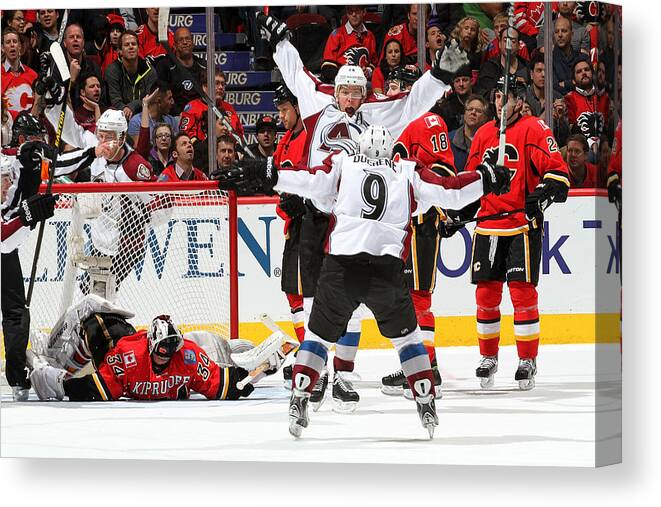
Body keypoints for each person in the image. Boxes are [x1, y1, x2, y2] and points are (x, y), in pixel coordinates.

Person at [218, 124, 511, 438]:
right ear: (391, 151)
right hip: (385, 272)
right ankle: (425, 399)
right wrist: (487, 177)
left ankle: (301, 396)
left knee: (316, 338)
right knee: (409, 340)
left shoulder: (344, 163)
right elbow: (451, 190)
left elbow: (311, 182)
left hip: (341, 268)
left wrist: (271, 174)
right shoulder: (407, 171)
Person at [256, 11, 468, 411]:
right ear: (335, 91)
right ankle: (315, 376)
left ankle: (345, 376)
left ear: (365, 92)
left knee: (346, 299)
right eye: (346, 92)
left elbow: (412, 102)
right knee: (316, 299)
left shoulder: (376, 112)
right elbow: (296, 74)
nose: (352, 100)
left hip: (352, 219)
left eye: (357, 93)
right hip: (318, 213)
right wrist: (280, 42)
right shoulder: (316, 100)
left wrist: (439, 76)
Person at [462, 76, 570, 391]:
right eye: (497, 96)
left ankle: (526, 359)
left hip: (521, 224)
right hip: (487, 225)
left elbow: (558, 172)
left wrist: (543, 192)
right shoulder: (482, 134)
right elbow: (470, 182)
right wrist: (458, 210)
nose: (500, 102)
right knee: (485, 294)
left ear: (520, 101)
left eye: (506, 97)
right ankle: (489, 357)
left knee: (522, 293)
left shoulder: (534, 128)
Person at [28, 305, 283, 402]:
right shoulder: (128, 357)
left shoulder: (187, 356)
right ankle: (47, 360)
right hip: (111, 335)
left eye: (172, 348)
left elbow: (228, 387)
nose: (166, 354)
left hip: (145, 345)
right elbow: (95, 390)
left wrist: (261, 372)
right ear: (151, 345)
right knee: (92, 319)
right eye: (162, 349)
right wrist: (61, 384)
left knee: (211, 343)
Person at [382, 103, 458, 399]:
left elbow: (442, 168)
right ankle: (416, 363)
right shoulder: (394, 121)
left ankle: (427, 368)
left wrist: (436, 203)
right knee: (402, 298)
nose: (389, 93)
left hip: (420, 220)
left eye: (395, 86)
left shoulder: (428, 120)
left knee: (416, 298)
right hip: (399, 222)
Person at [1, 117, 59, 401]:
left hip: (5, 256)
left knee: (16, 314)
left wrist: (30, 212)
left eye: (7, 180)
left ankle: (16, 377)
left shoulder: (12, 166)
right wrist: (27, 214)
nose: (6, 185)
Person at [272, 84, 308, 382]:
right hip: (293, 226)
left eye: (285, 109)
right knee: (293, 292)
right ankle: (308, 349)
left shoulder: (310, 138)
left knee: (307, 292)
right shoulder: (285, 141)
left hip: (310, 225)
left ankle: (311, 353)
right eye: (280, 110)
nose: (281, 116)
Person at [179, 69, 244, 146]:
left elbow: (239, 136)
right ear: (204, 87)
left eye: (223, 84)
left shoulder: (229, 108)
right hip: (201, 154)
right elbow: (185, 136)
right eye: (216, 83)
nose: (220, 87)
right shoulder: (193, 107)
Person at [104, 30, 158, 121]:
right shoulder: (112, 70)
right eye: (126, 45)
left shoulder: (149, 70)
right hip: (119, 116)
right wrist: (125, 109)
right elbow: (115, 100)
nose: (131, 47)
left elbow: (151, 98)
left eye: (133, 44)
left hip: (145, 115)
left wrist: (133, 105)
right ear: (120, 51)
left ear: (138, 49)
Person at [155, 27, 207, 116]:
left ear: (193, 43)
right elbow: (162, 96)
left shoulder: (203, 66)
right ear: (174, 45)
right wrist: (180, 114)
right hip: (173, 117)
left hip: (200, 115)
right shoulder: (165, 65)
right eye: (180, 40)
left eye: (188, 39)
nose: (185, 42)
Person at [320, 5, 377, 84]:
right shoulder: (336, 34)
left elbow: (374, 63)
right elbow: (327, 67)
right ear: (346, 13)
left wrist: (368, 71)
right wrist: (346, 76)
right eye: (350, 11)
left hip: (363, 82)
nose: (353, 14)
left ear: (364, 12)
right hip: (341, 81)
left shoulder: (370, 36)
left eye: (357, 11)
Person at [564, 57, 610, 151]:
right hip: (581, 149)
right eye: (579, 71)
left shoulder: (604, 97)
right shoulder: (569, 99)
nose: (584, 73)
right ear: (573, 80)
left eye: (587, 70)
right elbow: (572, 132)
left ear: (592, 74)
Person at [62, 23, 106, 111]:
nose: (75, 39)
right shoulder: (58, 66)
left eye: (78, 37)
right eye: (71, 37)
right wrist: (72, 81)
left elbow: (102, 99)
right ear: (65, 43)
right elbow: (60, 101)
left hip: (90, 114)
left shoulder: (94, 66)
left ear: (83, 42)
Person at [477, 26, 529, 97]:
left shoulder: (527, 67)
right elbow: (482, 93)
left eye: (513, 41)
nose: (508, 45)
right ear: (499, 44)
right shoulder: (489, 67)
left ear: (519, 46)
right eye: (505, 41)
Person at [1, 28, 38, 119]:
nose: (12, 45)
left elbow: (38, 104)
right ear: (2, 48)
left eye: (15, 41)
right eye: (8, 42)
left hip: (29, 127)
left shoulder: (33, 75)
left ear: (20, 46)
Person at [449, 94, 489, 172]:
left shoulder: (490, 143)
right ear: (464, 114)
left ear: (485, 118)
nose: (473, 113)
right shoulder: (448, 139)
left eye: (478, 111)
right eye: (470, 109)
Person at [434, 64, 473, 132]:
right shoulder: (446, 107)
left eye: (464, 80)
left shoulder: (480, 102)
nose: (461, 84)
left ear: (471, 81)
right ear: (453, 84)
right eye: (457, 81)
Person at [552, 16, 581, 96]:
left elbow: (585, 84)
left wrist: (565, 83)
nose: (560, 35)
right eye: (557, 31)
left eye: (564, 31)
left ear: (572, 34)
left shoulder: (581, 58)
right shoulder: (548, 59)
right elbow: (553, 87)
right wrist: (573, 82)